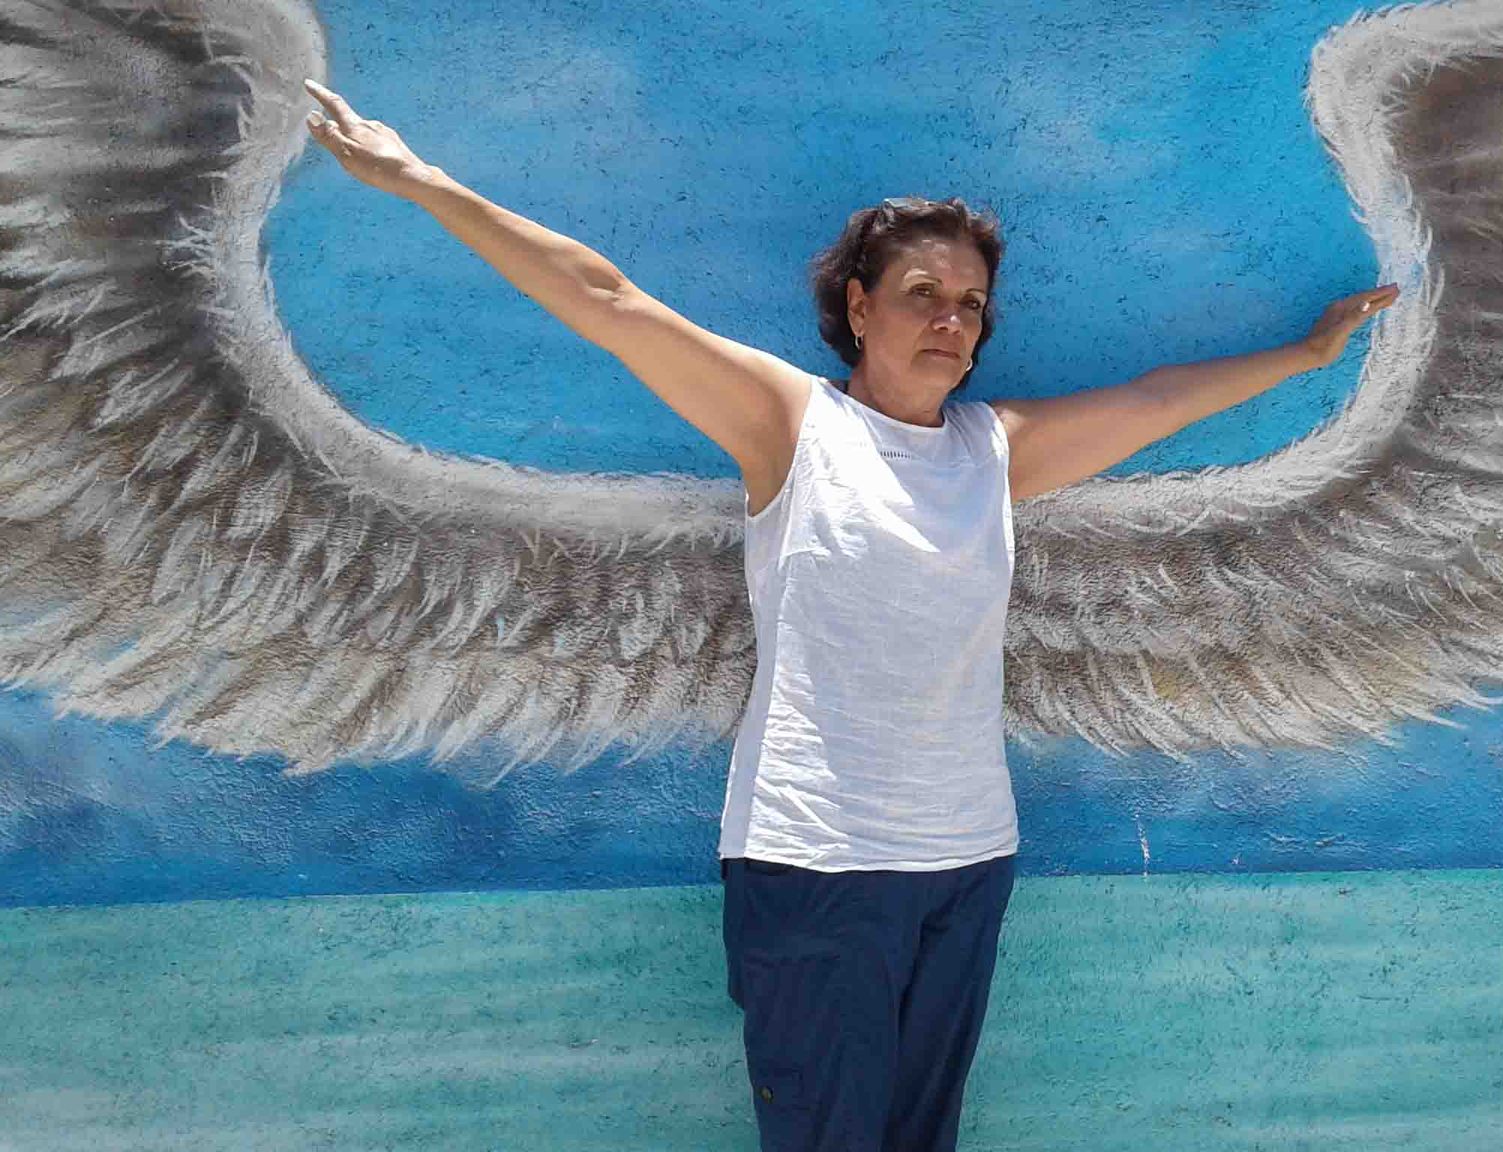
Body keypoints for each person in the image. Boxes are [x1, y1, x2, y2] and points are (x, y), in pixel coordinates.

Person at [301, 77, 1397, 1152]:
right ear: (859, 307)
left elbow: (1159, 400)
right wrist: (421, 183)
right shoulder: (793, 427)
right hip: (815, 863)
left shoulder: (995, 451)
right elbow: (609, 301)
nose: (952, 321)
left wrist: (1305, 357)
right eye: (922, 293)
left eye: (970, 303)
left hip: (967, 858)